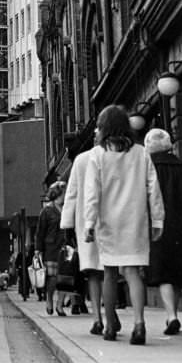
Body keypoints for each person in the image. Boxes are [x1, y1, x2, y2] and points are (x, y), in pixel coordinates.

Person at [82, 105, 164, 345]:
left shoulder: (97, 155)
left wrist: (89, 222)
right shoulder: (140, 153)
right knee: (132, 272)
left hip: (108, 222)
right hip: (135, 220)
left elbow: (92, 193)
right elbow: (153, 188)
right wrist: (157, 219)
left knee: (109, 272)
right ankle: (139, 324)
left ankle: (109, 327)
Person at [143, 128, 182, 335]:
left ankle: (171, 315)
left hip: (156, 226)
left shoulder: (147, 167)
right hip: (181, 227)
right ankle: (174, 313)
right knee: (177, 272)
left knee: (163, 273)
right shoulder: (181, 167)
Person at [61, 141, 105, 334]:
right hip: (113, 222)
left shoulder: (81, 160)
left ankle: (98, 317)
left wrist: (67, 225)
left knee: (94, 273)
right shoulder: (119, 156)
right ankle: (110, 313)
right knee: (112, 271)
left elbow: (71, 195)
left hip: (87, 223)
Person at [35, 181, 69, 317]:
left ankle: (60, 305)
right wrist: (38, 250)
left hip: (66, 247)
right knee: (53, 279)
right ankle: (49, 299)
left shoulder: (68, 208)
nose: (67, 195)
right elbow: (40, 232)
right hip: (51, 248)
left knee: (66, 278)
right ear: (58, 194)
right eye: (65, 192)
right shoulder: (47, 211)